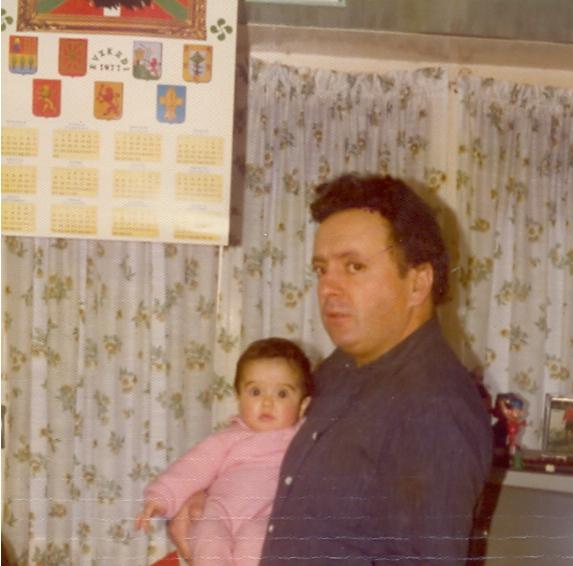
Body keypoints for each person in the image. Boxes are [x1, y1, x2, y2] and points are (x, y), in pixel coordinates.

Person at [170, 174, 493, 564]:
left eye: (354, 267)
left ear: (418, 283)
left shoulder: (434, 408)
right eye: (322, 269)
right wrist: (213, 497)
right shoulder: (340, 367)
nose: (328, 288)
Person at [136, 337, 313, 565]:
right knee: (207, 538)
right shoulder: (227, 439)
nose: (267, 402)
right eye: (255, 391)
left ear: (303, 405)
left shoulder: (303, 441)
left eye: (281, 394)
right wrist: (161, 497)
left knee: (255, 541)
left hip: (267, 518)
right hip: (220, 513)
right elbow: (192, 468)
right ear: (238, 397)